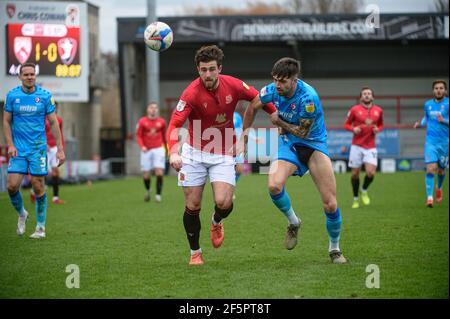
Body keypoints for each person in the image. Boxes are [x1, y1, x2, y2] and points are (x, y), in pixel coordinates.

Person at [167, 45, 275, 265]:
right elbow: (175, 124)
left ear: (220, 68)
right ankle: (195, 253)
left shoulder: (234, 85)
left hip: (224, 151)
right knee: (193, 204)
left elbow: (258, 98)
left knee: (224, 202)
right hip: (194, 153)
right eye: (203, 69)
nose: (208, 74)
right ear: (198, 69)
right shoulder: (190, 93)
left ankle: (217, 220)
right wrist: (173, 152)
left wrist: (275, 114)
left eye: (212, 69)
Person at [237, 57, 347, 264]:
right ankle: (294, 222)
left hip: (313, 146)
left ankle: (335, 249)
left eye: (283, 81)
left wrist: (279, 121)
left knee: (330, 204)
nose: (277, 85)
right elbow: (252, 107)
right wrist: (244, 137)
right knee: (274, 186)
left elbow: (303, 133)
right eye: (275, 80)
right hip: (289, 145)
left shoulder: (308, 98)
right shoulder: (271, 90)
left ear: (294, 80)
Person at [3, 62, 65, 239]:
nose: (29, 77)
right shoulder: (12, 96)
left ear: (35, 76)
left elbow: (54, 123)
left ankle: (40, 228)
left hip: (38, 148)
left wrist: (60, 149)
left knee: (38, 186)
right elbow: (6, 121)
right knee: (12, 186)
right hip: (18, 149)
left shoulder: (45, 96)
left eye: (32, 74)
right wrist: (10, 144)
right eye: (26, 74)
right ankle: (22, 213)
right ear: (20, 77)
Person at [344, 87, 384, 209]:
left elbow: (381, 124)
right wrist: (353, 129)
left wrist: (378, 129)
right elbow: (346, 124)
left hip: (370, 146)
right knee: (355, 174)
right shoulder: (354, 109)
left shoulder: (378, 110)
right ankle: (356, 199)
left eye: (369, 94)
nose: (367, 95)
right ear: (361, 97)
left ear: (372, 97)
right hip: (356, 146)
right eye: (364, 94)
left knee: (371, 173)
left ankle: (364, 189)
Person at [414, 80, 449, 208]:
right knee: (430, 169)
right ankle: (429, 198)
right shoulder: (427, 104)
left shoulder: (448, 104)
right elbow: (427, 118)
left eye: (441, 88)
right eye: (436, 88)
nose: (438, 90)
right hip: (431, 142)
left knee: (441, 170)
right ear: (433, 90)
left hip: (445, 143)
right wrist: (420, 124)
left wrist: (444, 121)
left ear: (445, 91)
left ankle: (439, 188)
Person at [136, 102, 167, 203]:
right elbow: (139, 136)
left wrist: (167, 149)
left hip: (158, 149)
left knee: (159, 173)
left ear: (157, 110)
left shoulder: (162, 122)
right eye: (151, 107)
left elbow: (164, 136)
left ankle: (158, 195)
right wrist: (142, 146)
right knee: (146, 175)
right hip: (146, 150)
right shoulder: (142, 121)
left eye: (155, 108)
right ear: (147, 110)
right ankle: (148, 190)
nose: (153, 109)